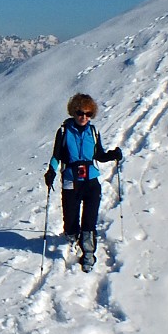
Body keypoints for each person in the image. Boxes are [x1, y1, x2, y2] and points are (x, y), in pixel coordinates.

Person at [43, 93, 122, 271]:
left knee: (90, 221)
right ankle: (72, 237)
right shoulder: (64, 131)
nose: (83, 117)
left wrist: (112, 155)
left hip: (91, 181)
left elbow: (99, 156)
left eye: (88, 114)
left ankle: (88, 254)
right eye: (80, 113)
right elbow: (57, 155)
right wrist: (51, 171)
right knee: (70, 222)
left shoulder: (93, 132)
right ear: (73, 112)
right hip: (71, 181)